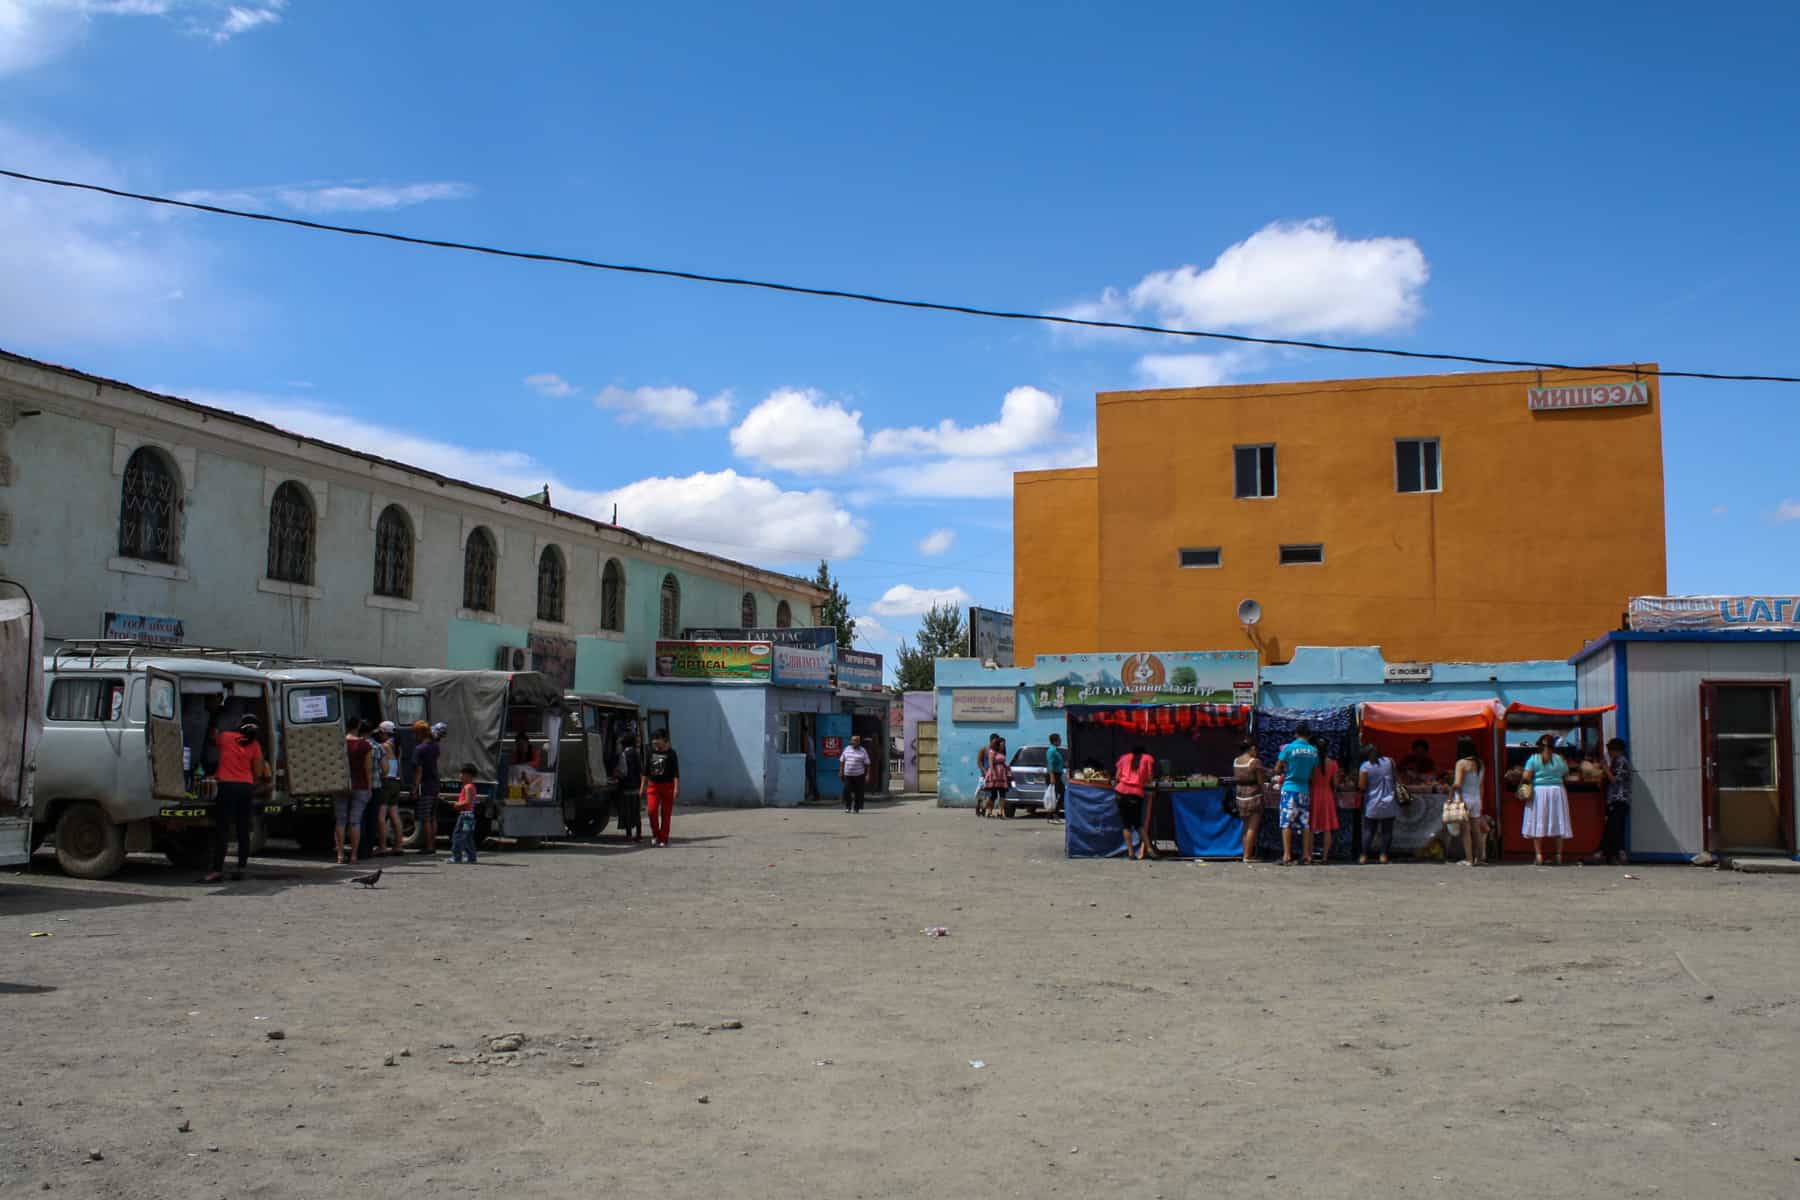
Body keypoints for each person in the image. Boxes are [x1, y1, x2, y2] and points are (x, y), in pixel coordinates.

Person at [205, 715, 268, 883]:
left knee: (222, 830)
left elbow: (212, 738)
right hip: (245, 789)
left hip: (226, 788)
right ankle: (241, 868)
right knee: (243, 831)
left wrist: (214, 717)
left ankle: (217, 870)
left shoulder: (226, 737)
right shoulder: (255, 746)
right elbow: (258, 773)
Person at [1521, 733, 1573, 866]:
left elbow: (1526, 777)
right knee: (1558, 821)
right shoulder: (1559, 759)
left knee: (1537, 821)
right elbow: (1566, 774)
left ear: (1539, 745)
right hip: (1557, 791)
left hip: (1539, 792)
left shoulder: (1533, 759)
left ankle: (1539, 855)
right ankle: (1559, 855)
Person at [1274, 722, 1320, 865]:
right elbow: (1314, 775)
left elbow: (1277, 769)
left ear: (1295, 734)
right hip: (1304, 790)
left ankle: (1287, 856)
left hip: (1289, 789)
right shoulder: (1313, 751)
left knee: (1286, 823)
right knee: (1304, 824)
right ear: (1309, 735)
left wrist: (1286, 769)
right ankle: (1307, 855)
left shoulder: (1289, 748)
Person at [338, 720, 374, 865]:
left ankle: (340, 855)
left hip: (341, 785)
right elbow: (368, 769)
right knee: (355, 821)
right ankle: (353, 856)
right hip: (360, 785)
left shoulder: (339, 743)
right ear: (358, 727)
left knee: (340, 821)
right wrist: (369, 788)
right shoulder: (365, 745)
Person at [1592, 737, 1633, 865]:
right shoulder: (1616, 761)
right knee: (1615, 827)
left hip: (1618, 798)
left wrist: (1604, 768)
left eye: (1610, 750)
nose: (1608, 753)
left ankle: (1605, 852)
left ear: (1616, 750)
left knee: (1613, 827)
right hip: (1617, 799)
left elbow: (1615, 780)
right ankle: (1615, 853)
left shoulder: (1621, 761)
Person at [1113, 744, 1156, 860]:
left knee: (1126, 825)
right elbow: (1150, 778)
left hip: (1120, 793)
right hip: (1136, 794)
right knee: (1138, 824)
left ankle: (1131, 853)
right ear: (1144, 752)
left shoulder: (1123, 758)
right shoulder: (1148, 758)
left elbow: (1117, 777)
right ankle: (1149, 849)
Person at [1359, 744, 1399, 865]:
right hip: (1389, 801)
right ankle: (1383, 856)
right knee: (1387, 831)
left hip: (1372, 802)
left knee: (1369, 831)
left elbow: (1362, 786)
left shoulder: (1365, 766)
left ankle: (1364, 856)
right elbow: (1396, 778)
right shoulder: (1390, 761)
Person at [1450, 736, 1487, 866]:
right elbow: (1481, 785)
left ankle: (1469, 859)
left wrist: (1459, 801)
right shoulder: (1480, 763)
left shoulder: (1461, 763)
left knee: (1466, 831)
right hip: (1476, 798)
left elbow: (1457, 784)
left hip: (1464, 798)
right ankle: (1480, 859)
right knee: (1477, 831)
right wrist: (1480, 801)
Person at [411, 721, 444, 855]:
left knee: (425, 818)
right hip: (435, 785)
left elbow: (419, 771)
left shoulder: (420, 749)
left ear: (419, 733)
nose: (414, 736)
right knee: (433, 817)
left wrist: (414, 788)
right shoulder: (435, 747)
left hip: (425, 787)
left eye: (415, 733)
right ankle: (433, 844)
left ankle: (429, 846)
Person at [1231, 738, 1265, 865]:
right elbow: (1261, 781)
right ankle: (1247, 856)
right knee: (1252, 828)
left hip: (1240, 797)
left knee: (1245, 827)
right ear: (1252, 748)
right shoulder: (1255, 762)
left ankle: (1245, 854)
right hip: (1253, 797)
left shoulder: (1236, 761)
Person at [373, 721, 406, 856]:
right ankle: (399, 845)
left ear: (385, 733)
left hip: (386, 782)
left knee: (381, 816)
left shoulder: (383, 746)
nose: (379, 735)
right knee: (394, 815)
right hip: (396, 782)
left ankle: (382, 847)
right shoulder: (398, 746)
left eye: (380, 733)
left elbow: (382, 767)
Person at [643, 730, 680, 847]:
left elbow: (676, 773)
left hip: (668, 786)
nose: (655, 742)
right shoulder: (649, 752)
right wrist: (642, 787)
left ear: (665, 740)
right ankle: (655, 834)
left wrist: (676, 788)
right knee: (651, 811)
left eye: (657, 739)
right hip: (653, 786)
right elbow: (645, 771)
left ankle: (663, 838)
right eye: (653, 739)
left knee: (666, 814)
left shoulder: (671, 753)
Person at [1308, 736, 1340, 862]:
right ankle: (1325, 857)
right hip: (1327, 796)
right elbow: (1336, 784)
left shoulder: (1311, 763)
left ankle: (1309, 856)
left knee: (1310, 827)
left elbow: (1309, 780)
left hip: (1313, 795)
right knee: (1327, 828)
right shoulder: (1333, 764)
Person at [449, 763, 480, 863]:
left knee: (458, 836)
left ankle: (456, 857)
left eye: (462, 774)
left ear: (469, 775)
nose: (460, 776)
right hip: (470, 816)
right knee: (467, 837)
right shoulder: (471, 787)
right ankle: (471, 857)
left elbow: (467, 802)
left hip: (465, 816)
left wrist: (456, 805)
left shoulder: (468, 787)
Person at [615, 735, 643, 842]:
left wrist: (617, 774)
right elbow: (640, 769)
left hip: (626, 788)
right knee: (636, 812)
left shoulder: (624, 754)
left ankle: (629, 834)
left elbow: (623, 771)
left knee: (627, 812)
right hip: (635, 788)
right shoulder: (636, 753)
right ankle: (639, 834)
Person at [976, 735, 1009, 817]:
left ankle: (987, 809)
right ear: (990, 741)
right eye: (994, 742)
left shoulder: (1000, 752)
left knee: (993, 794)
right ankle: (981, 806)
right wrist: (984, 770)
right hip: (987, 774)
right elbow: (979, 761)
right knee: (984, 793)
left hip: (998, 775)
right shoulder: (985, 749)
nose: (995, 743)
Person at [840, 733, 872, 813]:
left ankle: (856, 808)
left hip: (859, 775)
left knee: (858, 792)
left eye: (856, 740)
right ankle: (848, 807)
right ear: (851, 741)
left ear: (859, 742)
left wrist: (867, 774)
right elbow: (842, 761)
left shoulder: (863, 750)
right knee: (847, 790)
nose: (854, 742)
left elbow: (867, 763)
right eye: (853, 740)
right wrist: (841, 771)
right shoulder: (847, 749)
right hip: (848, 775)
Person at [1045, 733, 1067, 821]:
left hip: (1058, 775)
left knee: (1061, 794)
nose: (1060, 741)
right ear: (1055, 741)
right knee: (1054, 796)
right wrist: (1052, 777)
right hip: (1053, 775)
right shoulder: (1051, 751)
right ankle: (1053, 814)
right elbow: (1050, 764)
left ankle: (1052, 814)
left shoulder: (1056, 750)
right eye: (1059, 739)